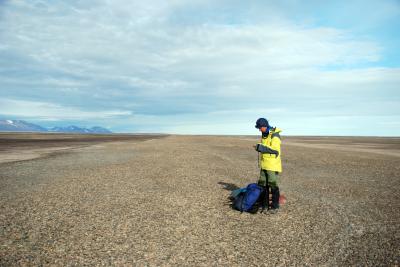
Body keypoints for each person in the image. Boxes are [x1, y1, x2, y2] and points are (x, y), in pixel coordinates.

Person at [254, 118, 282, 214]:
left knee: (272, 184)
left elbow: (275, 150)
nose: (259, 129)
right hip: (264, 163)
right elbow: (265, 147)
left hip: (272, 165)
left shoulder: (274, 135)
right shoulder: (264, 134)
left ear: (264, 126)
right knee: (262, 184)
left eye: (259, 127)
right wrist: (259, 147)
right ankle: (264, 205)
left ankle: (275, 207)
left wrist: (260, 147)